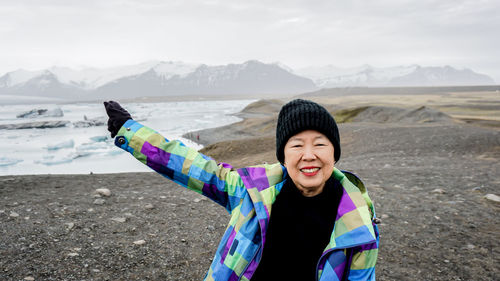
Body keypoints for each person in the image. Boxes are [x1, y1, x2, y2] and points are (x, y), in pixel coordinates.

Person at [104, 99, 379, 281]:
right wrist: (131, 132)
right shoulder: (251, 191)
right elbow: (192, 166)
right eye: (297, 145)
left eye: (320, 144)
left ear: (335, 153)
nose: (308, 155)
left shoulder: (357, 223)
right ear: (283, 155)